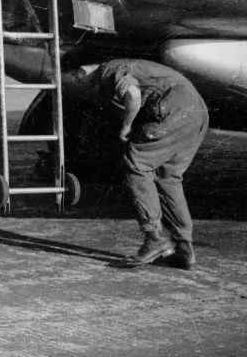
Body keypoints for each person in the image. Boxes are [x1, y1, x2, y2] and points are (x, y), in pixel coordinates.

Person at [75, 59, 208, 270]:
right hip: (195, 112)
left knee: (135, 164)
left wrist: (126, 127)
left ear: (85, 75)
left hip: (173, 111)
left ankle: (154, 237)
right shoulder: (135, 67)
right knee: (168, 177)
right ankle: (184, 248)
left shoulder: (109, 72)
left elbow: (133, 95)